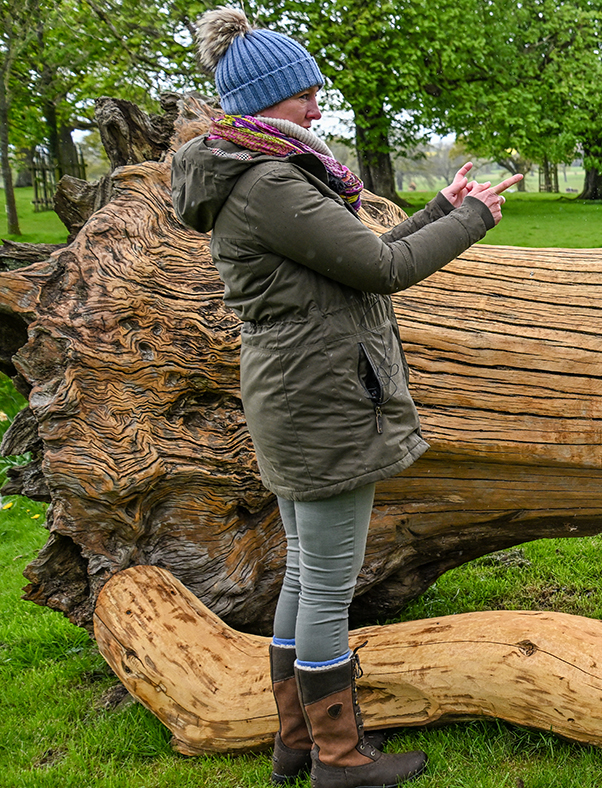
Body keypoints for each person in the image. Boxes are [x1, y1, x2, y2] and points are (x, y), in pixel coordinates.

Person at [170, 8, 522, 788]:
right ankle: (341, 757)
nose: (317, 104)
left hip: (300, 395)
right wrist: (472, 221)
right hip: (319, 402)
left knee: (304, 576)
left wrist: (437, 210)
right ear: (267, 99)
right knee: (325, 584)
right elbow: (382, 271)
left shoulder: (263, 170)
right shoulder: (268, 182)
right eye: (304, 93)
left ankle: (297, 743)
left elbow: (358, 253)